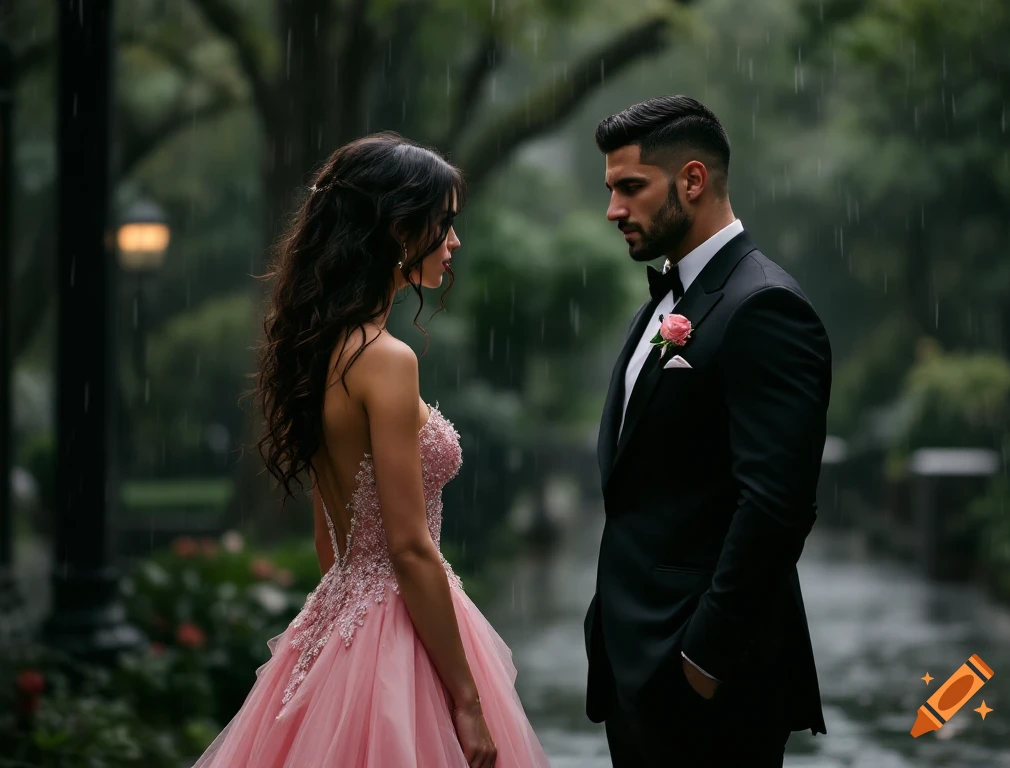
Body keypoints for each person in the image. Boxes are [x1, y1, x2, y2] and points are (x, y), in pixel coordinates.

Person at [192, 132, 549, 768]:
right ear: (397, 230)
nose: (454, 243)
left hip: (340, 615)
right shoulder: (386, 360)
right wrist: (465, 699)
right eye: (444, 225)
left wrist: (347, 614)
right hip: (394, 622)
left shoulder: (324, 349)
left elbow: (333, 534)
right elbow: (410, 547)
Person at [583, 95, 832, 766]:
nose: (613, 209)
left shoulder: (764, 306)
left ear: (691, 180)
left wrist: (702, 662)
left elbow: (777, 506)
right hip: (637, 670)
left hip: (707, 686)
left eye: (630, 187)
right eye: (610, 189)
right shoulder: (674, 298)